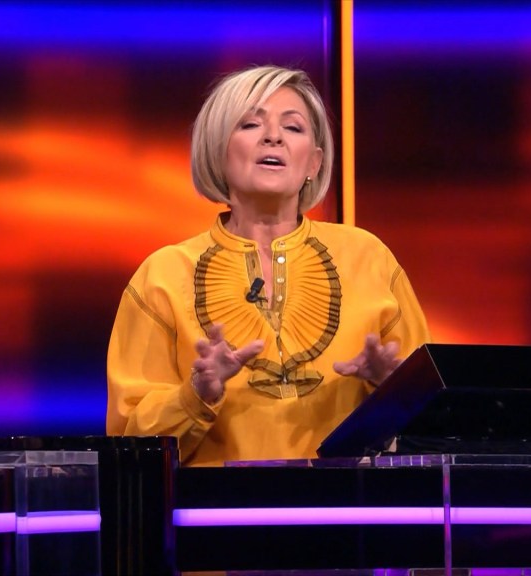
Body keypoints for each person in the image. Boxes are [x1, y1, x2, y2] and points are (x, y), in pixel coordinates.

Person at [106, 65, 430, 467]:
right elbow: (128, 445)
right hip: (213, 504)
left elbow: (435, 422)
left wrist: (390, 385)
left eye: (292, 127)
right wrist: (196, 394)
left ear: (313, 163)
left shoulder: (369, 257)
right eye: (250, 124)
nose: (273, 137)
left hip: (348, 501)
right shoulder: (163, 275)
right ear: (217, 150)